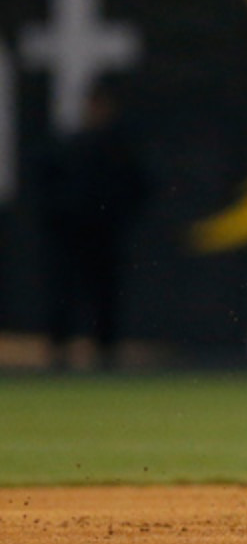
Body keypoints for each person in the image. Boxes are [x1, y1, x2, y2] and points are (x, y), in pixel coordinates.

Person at [37, 76, 148, 370]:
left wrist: (116, 219)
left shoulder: (120, 149)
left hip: (105, 236)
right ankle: (59, 351)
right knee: (64, 294)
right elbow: (46, 187)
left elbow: (138, 188)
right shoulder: (70, 145)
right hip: (70, 236)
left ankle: (106, 353)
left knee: (104, 295)